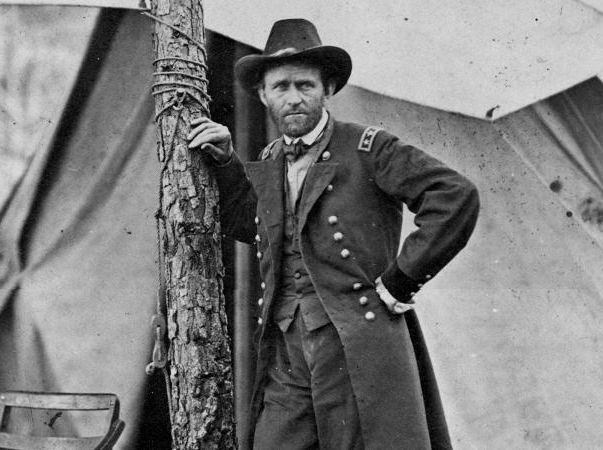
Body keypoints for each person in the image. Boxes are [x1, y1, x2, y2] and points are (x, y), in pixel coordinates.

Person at [188, 18, 479, 450]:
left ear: (327, 89)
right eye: (281, 87)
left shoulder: (368, 147)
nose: (294, 98)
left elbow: (454, 195)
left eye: (305, 86)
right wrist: (228, 162)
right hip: (287, 351)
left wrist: (402, 278)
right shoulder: (269, 158)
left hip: (356, 349)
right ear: (263, 95)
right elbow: (251, 224)